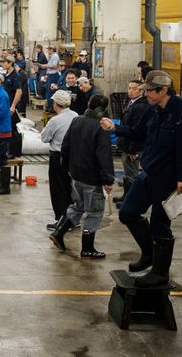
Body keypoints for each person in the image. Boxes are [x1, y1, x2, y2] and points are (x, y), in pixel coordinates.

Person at [100, 70, 182, 287]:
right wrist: (116, 127)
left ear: (163, 90)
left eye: (150, 91)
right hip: (149, 172)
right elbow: (138, 132)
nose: (146, 95)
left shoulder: (181, 109)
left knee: (160, 225)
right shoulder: (152, 110)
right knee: (128, 212)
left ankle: (160, 273)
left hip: (169, 177)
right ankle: (149, 253)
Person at [50, 95, 114, 258]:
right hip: (92, 178)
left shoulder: (77, 120)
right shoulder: (101, 126)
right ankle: (87, 248)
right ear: (104, 109)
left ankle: (59, 232)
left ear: (88, 104)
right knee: (94, 212)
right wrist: (108, 179)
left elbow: (65, 146)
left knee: (77, 206)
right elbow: (104, 155)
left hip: (76, 175)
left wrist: (68, 168)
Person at [40, 90, 79, 230]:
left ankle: (62, 221)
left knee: (58, 189)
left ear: (56, 104)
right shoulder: (75, 116)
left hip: (58, 156)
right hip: (73, 157)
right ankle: (73, 219)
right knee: (70, 188)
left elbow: (44, 138)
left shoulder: (55, 120)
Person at [114, 80, 149, 206]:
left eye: (133, 88)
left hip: (132, 147)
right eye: (129, 88)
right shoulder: (131, 102)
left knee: (132, 174)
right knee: (127, 172)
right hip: (126, 144)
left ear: (141, 91)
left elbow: (137, 130)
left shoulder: (141, 106)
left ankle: (132, 201)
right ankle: (126, 196)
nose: (130, 91)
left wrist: (133, 150)